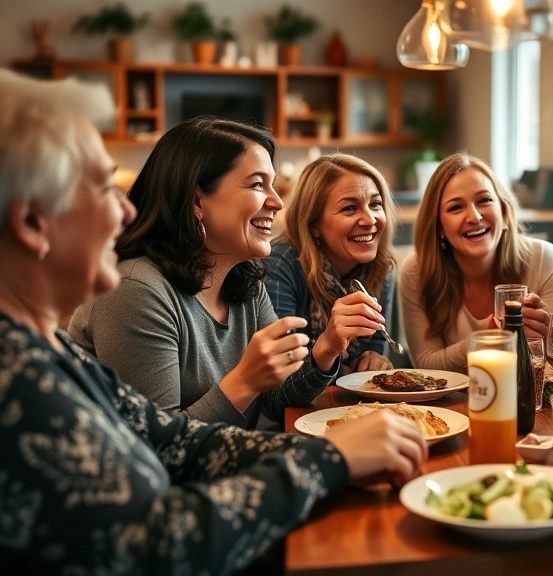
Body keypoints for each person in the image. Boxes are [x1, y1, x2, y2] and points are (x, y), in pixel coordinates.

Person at [0, 70, 426, 575]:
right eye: (100, 187)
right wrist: (324, 461)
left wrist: (334, 445)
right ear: (31, 223)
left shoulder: (48, 349)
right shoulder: (18, 375)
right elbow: (158, 543)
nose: (123, 208)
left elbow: (175, 441)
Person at [69, 117, 372, 428]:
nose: (278, 202)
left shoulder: (244, 279)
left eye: (273, 183)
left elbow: (278, 397)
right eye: (257, 184)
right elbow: (155, 448)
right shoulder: (134, 290)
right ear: (197, 200)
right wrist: (243, 382)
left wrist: (327, 347)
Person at [400, 152, 553, 371]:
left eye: (484, 201)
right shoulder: (417, 271)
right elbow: (426, 363)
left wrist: (549, 338)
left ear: (504, 210)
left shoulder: (543, 258)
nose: (474, 217)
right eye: (455, 207)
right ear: (439, 227)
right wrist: (488, 338)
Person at [265, 154, 397, 374]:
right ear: (313, 224)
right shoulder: (280, 266)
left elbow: (374, 350)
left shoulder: (381, 268)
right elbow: (278, 380)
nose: (371, 220)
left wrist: (374, 359)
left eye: (375, 204)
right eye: (349, 208)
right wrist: (328, 345)